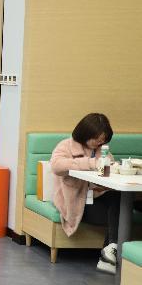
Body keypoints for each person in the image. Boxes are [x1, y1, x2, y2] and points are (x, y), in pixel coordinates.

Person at [51, 113, 120, 274]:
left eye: (103, 140)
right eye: (96, 139)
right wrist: (90, 163)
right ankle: (110, 252)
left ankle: (110, 250)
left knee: (119, 200)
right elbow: (56, 166)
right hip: (76, 202)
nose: (99, 143)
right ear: (85, 133)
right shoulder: (66, 146)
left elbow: (108, 168)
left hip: (96, 198)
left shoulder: (101, 150)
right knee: (119, 216)